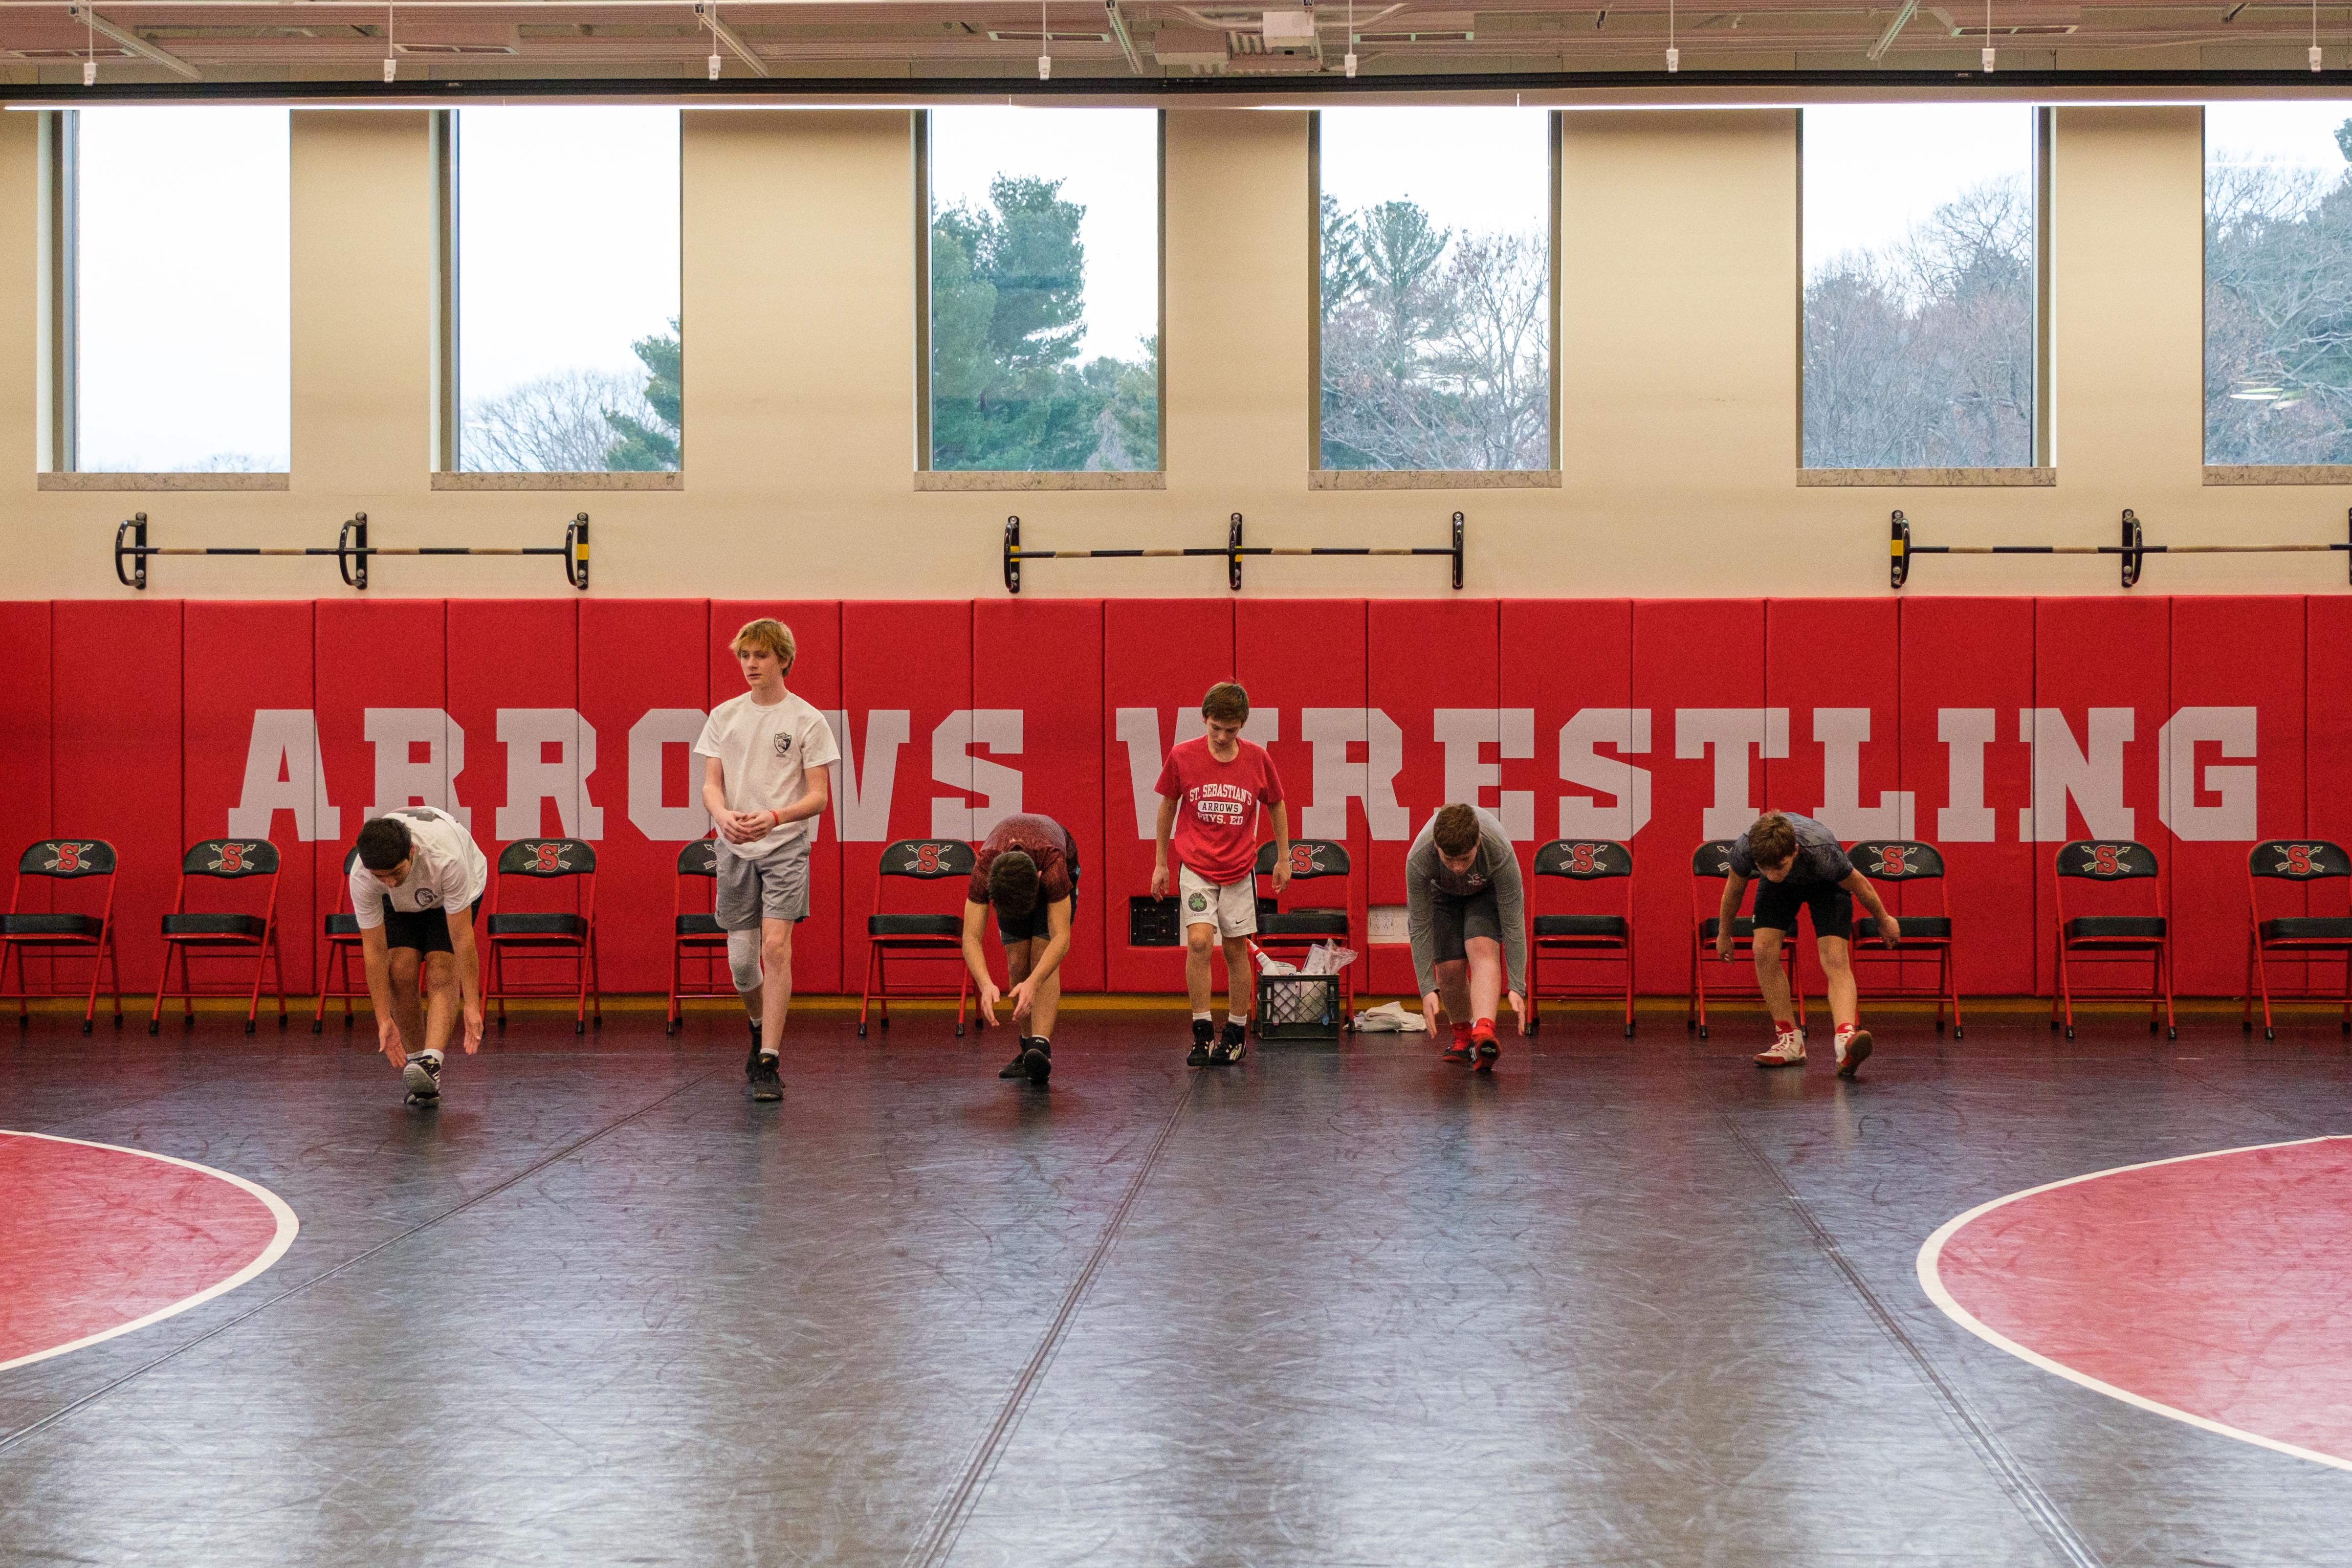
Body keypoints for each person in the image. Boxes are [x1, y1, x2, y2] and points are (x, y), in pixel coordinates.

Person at [695, 617, 839, 1104]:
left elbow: (819, 797)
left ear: (783, 660)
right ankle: (758, 1027)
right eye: (744, 656)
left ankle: (769, 1060)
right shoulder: (723, 716)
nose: (750, 665)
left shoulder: (806, 720)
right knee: (741, 962)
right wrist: (722, 814)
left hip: (785, 845)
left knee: (775, 948)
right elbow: (710, 783)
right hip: (733, 844)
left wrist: (775, 816)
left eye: (759, 656)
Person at [1152, 682, 1289, 1067]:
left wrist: (1283, 857)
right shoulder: (1183, 756)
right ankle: (1200, 1031)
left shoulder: (1258, 759)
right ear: (1204, 719)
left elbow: (1276, 804)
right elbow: (1167, 807)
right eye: (1215, 727)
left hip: (1239, 868)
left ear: (1241, 725)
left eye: (1231, 730)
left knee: (1234, 948)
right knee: (1198, 941)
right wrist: (1161, 862)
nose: (1222, 736)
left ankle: (1234, 1030)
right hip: (1195, 866)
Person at [1715, 810, 1900, 1079]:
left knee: (1835, 958)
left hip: (1826, 886)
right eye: (1764, 868)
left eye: (1778, 866)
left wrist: (1883, 919)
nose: (1771, 873)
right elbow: (1734, 890)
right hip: (1780, 893)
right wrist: (1724, 934)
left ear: (1795, 851)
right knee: (1763, 949)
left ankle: (1845, 1042)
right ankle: (1790, 1042)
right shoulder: (1746, 849)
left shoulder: (1822, 851)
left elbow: (1862, 887)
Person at [352, 807, 487, 1105]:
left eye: (395, 873)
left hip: (450, 889)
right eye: (380, 876)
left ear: (411, 851)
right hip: (401, 904)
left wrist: (473, 1005)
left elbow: (463, 938)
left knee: (441, 970)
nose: (388, 881)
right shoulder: (364, 876)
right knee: (400, 971)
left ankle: (431, 1063)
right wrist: (383, 1019)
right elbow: (374, 951)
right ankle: (418, 1070)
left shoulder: (447, 861)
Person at [1407, 802, 1528, 1072]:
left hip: (1484, 892)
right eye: (1449, 860)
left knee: (1482, 949)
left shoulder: (1499, 852)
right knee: (1449, 968)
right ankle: (1462, 1038)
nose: (1459, 867)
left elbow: (1514, 924)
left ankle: (1483, 1035)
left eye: (1465, 858)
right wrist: (1427, 986)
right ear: (1436, 847)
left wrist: (1518, 986)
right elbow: (1420, 926)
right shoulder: (1419, 858)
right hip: (1443, 896)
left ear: (1478, 842)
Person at [960, 813, 1079, 1086]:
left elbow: (1062, 938)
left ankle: (1041, 1046)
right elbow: (970, 937)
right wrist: (986, 983)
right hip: (1016, 874)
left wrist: (1035, 982)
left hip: (1055, 861)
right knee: (1016, 962)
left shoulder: (1052, 865)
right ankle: (1028, 1051)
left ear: (1038, 879)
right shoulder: (985, 867)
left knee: (1041, 956)